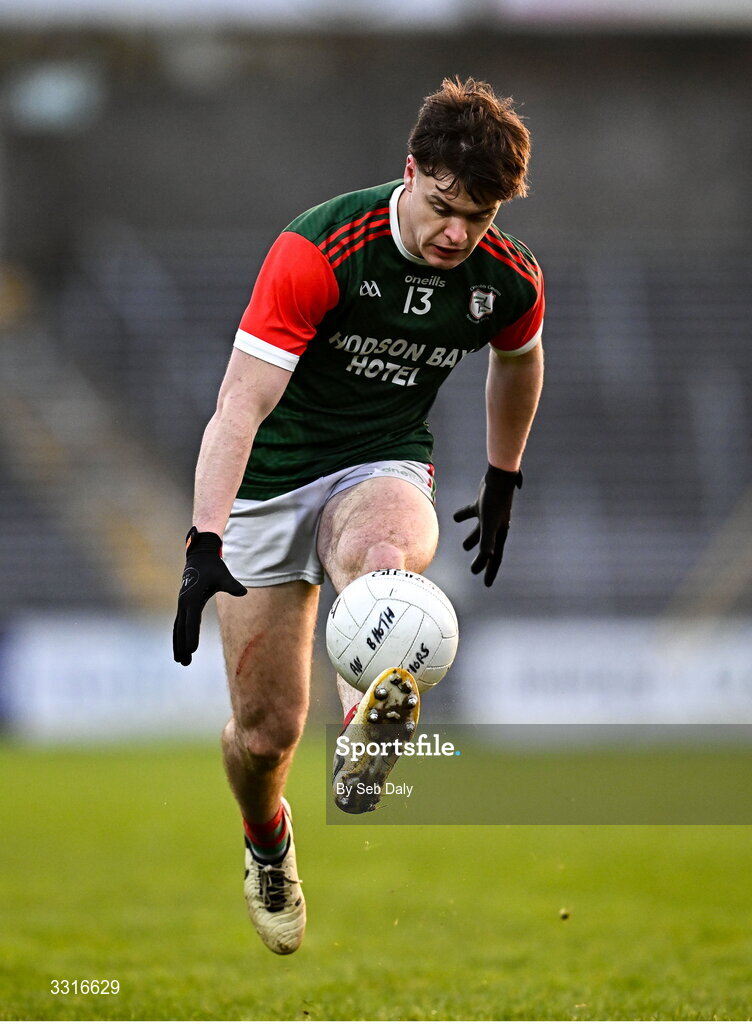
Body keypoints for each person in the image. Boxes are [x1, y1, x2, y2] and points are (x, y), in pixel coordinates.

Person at [172, 76, 545, 956]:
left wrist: (502, 477)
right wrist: (204, 541)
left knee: (385, 552)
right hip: (269, 479)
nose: (458, 233)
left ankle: (364, 734)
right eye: (445, 206)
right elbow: (238, 406)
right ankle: (269, 843)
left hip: (379, 462)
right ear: (409, 171)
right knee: (264, 738)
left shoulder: (507, 278)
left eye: (480, 216)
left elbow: (520, 363)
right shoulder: (322, 249)